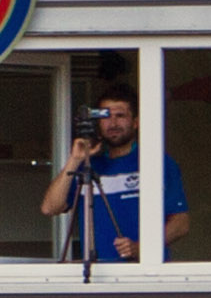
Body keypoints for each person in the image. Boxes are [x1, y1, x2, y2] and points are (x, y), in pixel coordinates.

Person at [38, 75, 187, 264]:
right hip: (97, 275)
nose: (113, 123)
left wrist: (141, 247)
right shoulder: (89, 165)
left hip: (146, 273)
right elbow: (50, 207)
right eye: (106, 116)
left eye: (120, 116)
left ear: (136, 122)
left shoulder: (156, 162)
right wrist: (75, 159)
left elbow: (181, 223)